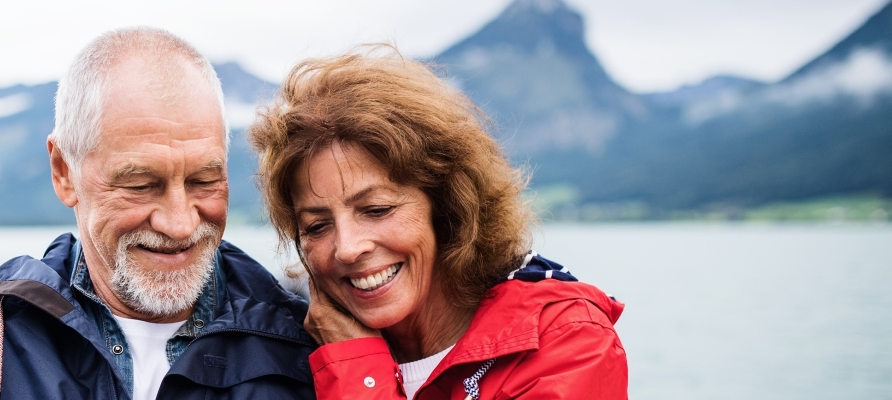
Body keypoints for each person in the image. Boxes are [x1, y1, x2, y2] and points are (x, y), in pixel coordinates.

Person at [0, 28, 317, 399]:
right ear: (64, 173)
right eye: (140, 185)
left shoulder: (308, 343)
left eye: (203, 181)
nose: (180, 223)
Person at [247, 46, 628, 400]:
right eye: (316, 227)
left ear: (446, 206)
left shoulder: (566, 341)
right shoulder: (290, 353)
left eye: (377, 209)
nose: (347, 247)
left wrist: (357, 370)